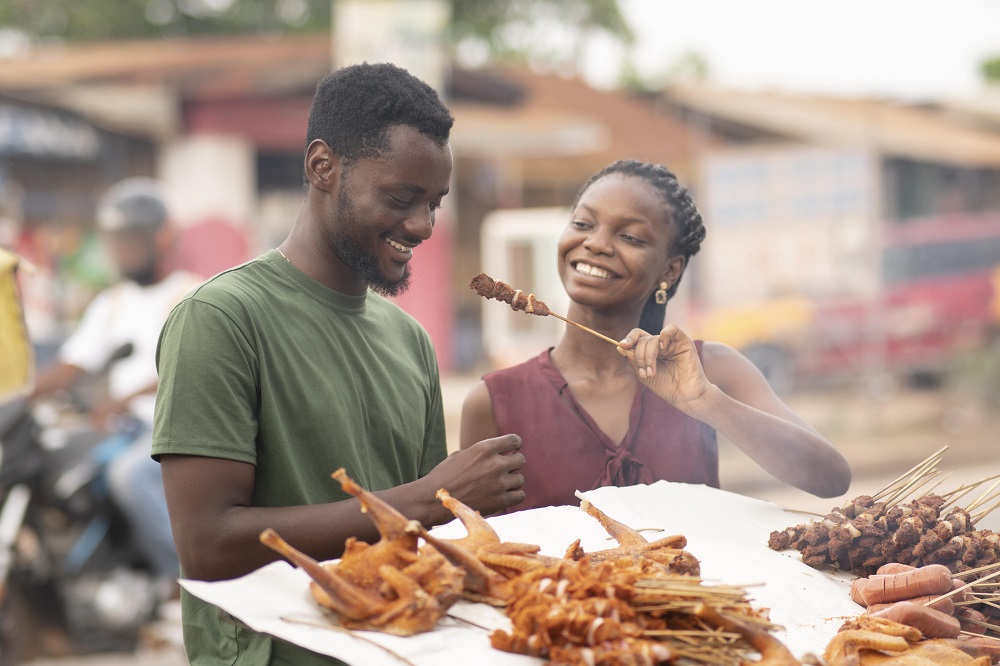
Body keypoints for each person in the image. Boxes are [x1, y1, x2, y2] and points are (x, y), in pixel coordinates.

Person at [151, 62, 525, 666]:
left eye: (434, 204)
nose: (423, 226)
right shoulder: (221, 318)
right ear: (322, 166)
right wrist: (430, 498)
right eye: (402, 199)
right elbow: (207, 545)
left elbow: (419, 539)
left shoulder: (409, 340)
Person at [460, 159, 852, 511]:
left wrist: (705, 402)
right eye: (582, 224)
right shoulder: (494, 402)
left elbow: (831, 479)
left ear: (670, 269)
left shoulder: (712, 368)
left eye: (630, 237)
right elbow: (479, 545)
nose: (595, 243)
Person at [29, 177, 201, 588]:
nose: (121, 250)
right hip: (125, 429)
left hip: (174, 428)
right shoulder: (113, 302)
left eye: (131, 240)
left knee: (130, 476)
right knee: (60, 464)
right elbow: (71, 364)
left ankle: (190, 584)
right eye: (116, 240)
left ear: (161, 238)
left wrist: (127, 397)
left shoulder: (192, 294)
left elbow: (194, 369)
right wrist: (17, 393)